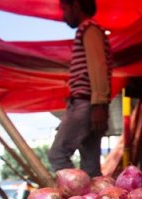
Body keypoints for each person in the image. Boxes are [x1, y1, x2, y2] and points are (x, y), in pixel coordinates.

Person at [48, 0, 112, 178]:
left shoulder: (89, 28)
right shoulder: (90, 29)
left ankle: (76, 196)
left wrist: (99, 103)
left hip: (85, 103)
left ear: (76, 5)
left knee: (57, 155)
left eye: (65, 9)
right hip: (89, 104)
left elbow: (98, 66)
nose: (64, 16)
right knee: (90, 166)